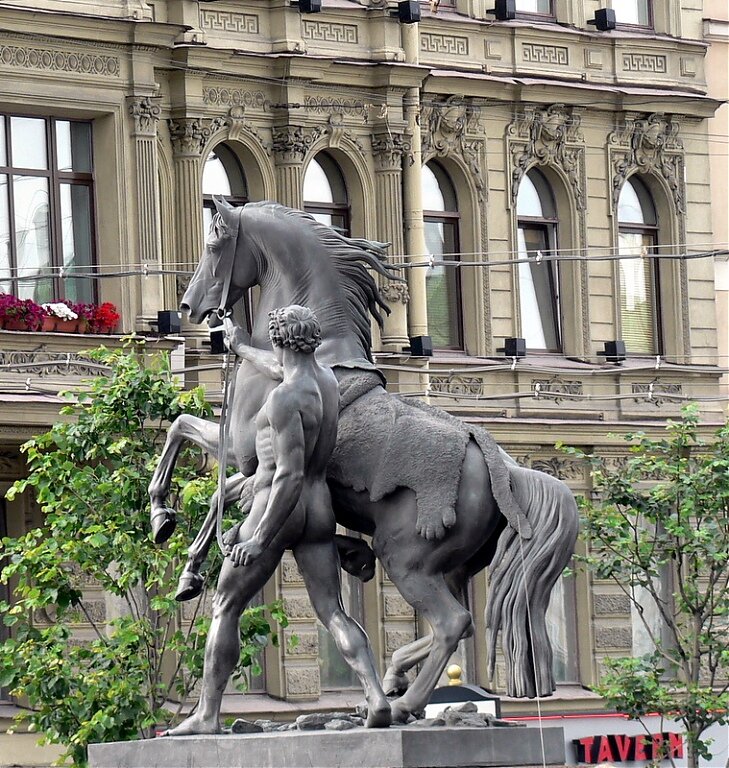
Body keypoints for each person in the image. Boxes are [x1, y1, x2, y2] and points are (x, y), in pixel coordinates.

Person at [164, 305, 391, 734]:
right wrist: (241, 346)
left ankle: (207, 715)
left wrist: (259, 537)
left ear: (282, 340)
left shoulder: (284, 399)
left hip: (277, 505)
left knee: (225, 605)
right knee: (333, 611)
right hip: (319, 507)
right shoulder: (326, 381)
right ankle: (375, 697)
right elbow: (280, 366)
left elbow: (287, 474)